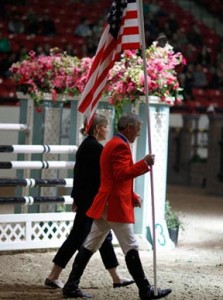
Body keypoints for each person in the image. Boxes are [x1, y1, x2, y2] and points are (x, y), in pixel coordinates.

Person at [63, 112, 172, 299]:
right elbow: (122, 174)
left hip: (106, 202)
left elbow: (115, 178)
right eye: (137, 129)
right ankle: (145, 289)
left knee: (91, 243)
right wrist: (144, 164)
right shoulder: (120, 146)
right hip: (114, 204)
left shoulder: (113, 144)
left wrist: (132, 194)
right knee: (130, 245)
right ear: (128, 127)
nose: (137, 133)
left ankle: (71, 285)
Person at [45, 114, 134, 290]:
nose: (107, 130)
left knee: (103, 237)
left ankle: (116, 277)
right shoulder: (96, 148)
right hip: (91, 200)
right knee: (78, 237)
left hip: (87, 199)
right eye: (105, 127)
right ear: (98, 128)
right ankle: (53, 275)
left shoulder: (87, 146)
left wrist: (76, 197)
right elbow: (101, 176)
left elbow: (79, 174)